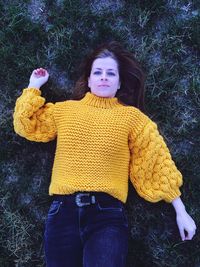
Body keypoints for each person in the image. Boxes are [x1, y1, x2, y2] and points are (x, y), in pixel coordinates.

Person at [13, 41, 196, 267]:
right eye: (97, 72)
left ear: (119, 83)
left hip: (107, 215)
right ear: (88, 80)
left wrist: (181, 210)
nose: (103, 77)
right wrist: (34, 86)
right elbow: (25, 125)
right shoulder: (65, 110)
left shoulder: (132, 118)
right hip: (62, 213)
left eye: (111, 73)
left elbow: (156, 162)